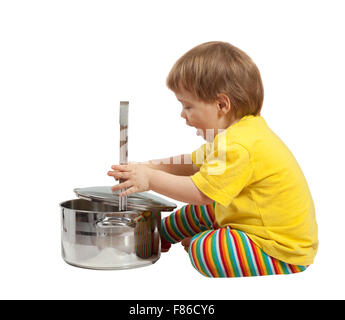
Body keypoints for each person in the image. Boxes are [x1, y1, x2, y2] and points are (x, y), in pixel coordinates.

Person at [108, 41, 318, 277]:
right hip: (250, 221)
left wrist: (151, 180)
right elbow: (193, 163)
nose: (182, 114)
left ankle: (203, 240)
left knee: (202, 250)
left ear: (221, 104)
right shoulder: (238, 132)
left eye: (188, 106)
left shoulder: (238, 146)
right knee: (201, 211)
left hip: (278, 248)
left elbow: (200, 193)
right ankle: (162, 234)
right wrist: (147, 167)